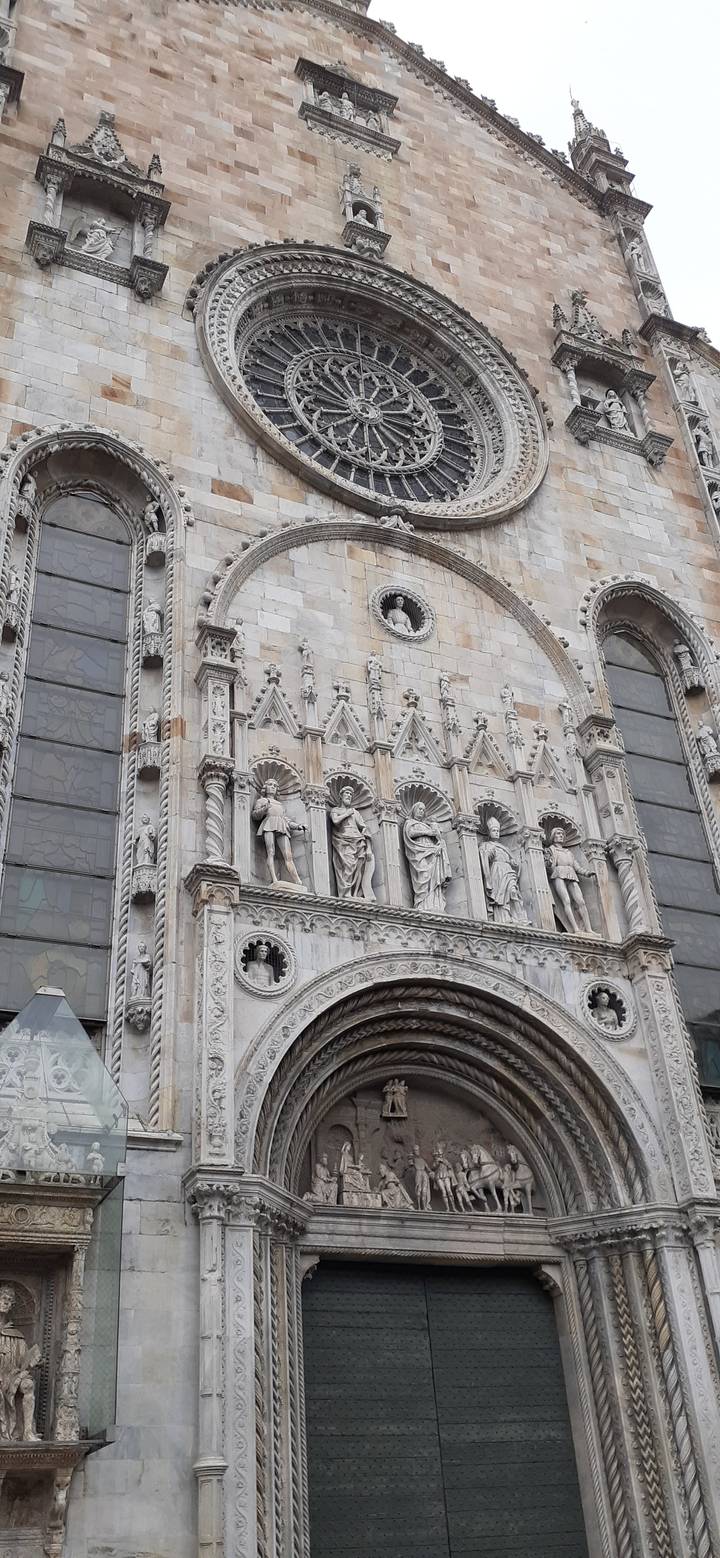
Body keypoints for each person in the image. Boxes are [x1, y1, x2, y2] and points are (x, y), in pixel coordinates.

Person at [0, 1285, 41, 1442]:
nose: (6, 1303)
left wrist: (33, 1361)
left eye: (10, 1301)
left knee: (28, 1385)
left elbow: (23, 1359)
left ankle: (28, 1432)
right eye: (4, 1298)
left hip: (11, 1376)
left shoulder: (16, 1334)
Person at [252, 779, 305, 889]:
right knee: (271, 852)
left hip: (281, 825)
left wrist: (297, 826)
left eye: (275, 786)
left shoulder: (280, 804)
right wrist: (264, 809)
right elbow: (255, 815)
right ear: (265, 787)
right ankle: (274, 879)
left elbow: (286, 819)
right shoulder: (262, 801)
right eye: (270, 785)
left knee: (288, 855)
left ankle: (298, 881)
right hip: (269, 824)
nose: (272, 787)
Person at [403, 802, 451, 913]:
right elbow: (410, 834)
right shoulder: (410, 823)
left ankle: (434, 903)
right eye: (420, 809)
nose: (421, 812)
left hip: (431, 851)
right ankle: (421, 903)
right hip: (419, 852)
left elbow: (438, 839)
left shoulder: (427, 824)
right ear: (414, 809)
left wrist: (438, 841)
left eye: (423, 810)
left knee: (434, 876)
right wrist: (428, 832)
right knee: (423, 875)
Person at [544, 826, 594, 935]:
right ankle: (575, 929)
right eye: (558, 834)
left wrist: (586, 873)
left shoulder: (568, 852)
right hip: (558, 874)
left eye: (562, 834)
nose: (561, 836)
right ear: (553, 836)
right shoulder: (551, 849)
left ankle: (588, 929)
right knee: (566, 901)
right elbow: (549, 866)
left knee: (581, 901)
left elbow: (577, 867)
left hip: (571, 874)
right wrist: (549, 862)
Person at [479, 817, 527, 925]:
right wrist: (488, 853)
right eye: (494, 831)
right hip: (497, 871)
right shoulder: (486, 845)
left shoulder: (504, 847)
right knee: (500, 895)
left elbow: (513, 861)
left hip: (508, 871)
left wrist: (513, 863)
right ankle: (503, 917)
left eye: (497, 831)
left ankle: (519, 917)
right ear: (489, 833)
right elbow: (485, 858)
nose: (496, 833)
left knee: (513, 892)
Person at [329, 787, 375, 900]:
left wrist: (368, 846)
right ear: (341, 795)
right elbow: (335, 821)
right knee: (348, 865)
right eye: (346, 793)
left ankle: (355, 893)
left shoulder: (356, 813)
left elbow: (364, 827)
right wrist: (347, 813)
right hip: (343, 840)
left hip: (358, 840)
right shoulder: (336, 810)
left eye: (350, 794)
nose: (349, 795)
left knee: (358, 868)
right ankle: (345, 893)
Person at [412, 1146, 432, 1211]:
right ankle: (419, 1207)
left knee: (424, 1191)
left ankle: (424, 1207)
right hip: (418, 1174)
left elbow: (428, 1168)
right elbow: (411, 1165)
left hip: (424, 1174)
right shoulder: (412, 1159)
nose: (416, 1151)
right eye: (415, 1150)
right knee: (418, 1189)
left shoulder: (422, 1160)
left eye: (417, 1150)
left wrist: (432, 1172)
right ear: (413, 1152)